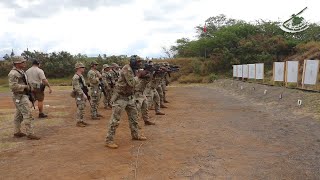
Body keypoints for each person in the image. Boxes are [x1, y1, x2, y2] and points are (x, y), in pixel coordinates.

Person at [105, 55, 147, 149]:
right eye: (138, 62)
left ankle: (135, 135)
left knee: (134, 117)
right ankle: (109, 140)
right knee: (115, 120)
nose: (140, 64)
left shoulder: (133, 69)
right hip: (120, 98)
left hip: (129, 97)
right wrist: (139, 75)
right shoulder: (127, 69)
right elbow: (131, 83)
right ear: (133, 62)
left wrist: (144, 73)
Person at [8, 56, 40, 140]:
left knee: (19, 115)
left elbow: (24, 81)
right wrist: (25, 86)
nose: (24, 63)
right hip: (19, 96)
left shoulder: (21, 71)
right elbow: (12, 86)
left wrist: (30, 87)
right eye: (23, 62)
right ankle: (30, 133)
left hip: (23, 95)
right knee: (27, 114)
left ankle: (17, 132)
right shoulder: (13, 73)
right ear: (18, 63)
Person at [71, 62, 89, 127]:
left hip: (82, 93)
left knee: (82, 107)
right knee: (80, 107)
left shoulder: (80, 76)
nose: (84, 68)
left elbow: (83, 85)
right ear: (78, 68)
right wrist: (83, 94)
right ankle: (78, 122)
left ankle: (81, 120)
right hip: (79, 94)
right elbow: (77, 87)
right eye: (82, 67)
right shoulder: (76, 77)